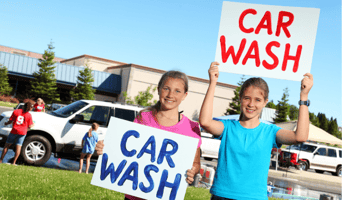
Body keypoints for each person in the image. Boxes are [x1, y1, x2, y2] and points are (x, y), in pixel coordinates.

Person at [199, 62, 313, 200]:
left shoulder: (270, 131)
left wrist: (304, 97)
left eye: (258, 100)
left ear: (265, 102)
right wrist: (213, 83)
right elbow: (205, 122)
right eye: (247, 98)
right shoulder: (228, 127)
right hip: (222, 195)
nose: (251, 104)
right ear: (240, 98)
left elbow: (300, 136)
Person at [96, 70, 202, 200]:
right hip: (134, 196)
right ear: (158, 90)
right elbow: (125, 150)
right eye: (166, 88)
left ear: (185, 95)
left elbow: (196, 162)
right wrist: (105, 148)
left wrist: (193, 170)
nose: (170, 95)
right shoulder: (143, 117)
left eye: (177, 91)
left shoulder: (191, 128)